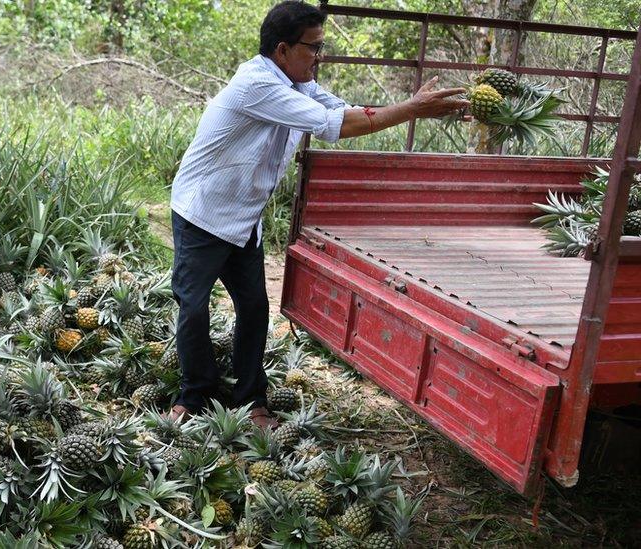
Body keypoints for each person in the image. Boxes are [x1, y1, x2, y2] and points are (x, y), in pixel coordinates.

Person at [166, 0, 469, 429]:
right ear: (283, 50)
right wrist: (411, 108)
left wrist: (418, 109)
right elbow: (335, 126)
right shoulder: (257, 84)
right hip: (203, 212)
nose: (319, 57)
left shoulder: (300, 84)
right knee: (193, 306)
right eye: (313, 48)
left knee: (253, 308)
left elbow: (345, 112)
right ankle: (194, 396)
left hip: (243, 217)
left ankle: (250, 400)